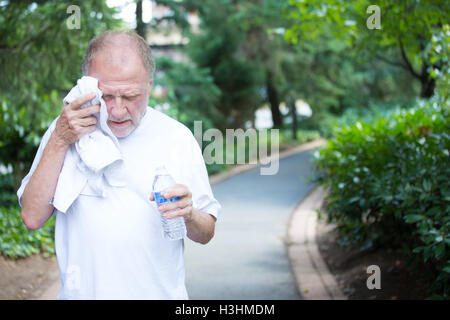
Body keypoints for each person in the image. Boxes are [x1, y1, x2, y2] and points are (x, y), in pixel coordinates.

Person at [16, 30, 221, 299]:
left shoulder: (176, 137)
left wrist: (190, 214)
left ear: (149, 85)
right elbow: (32, 217)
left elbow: (206, 232)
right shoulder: (66, 130)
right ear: (87, 86)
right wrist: (60, 139)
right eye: (106, 96)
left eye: (130, 96)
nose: (117, 110)